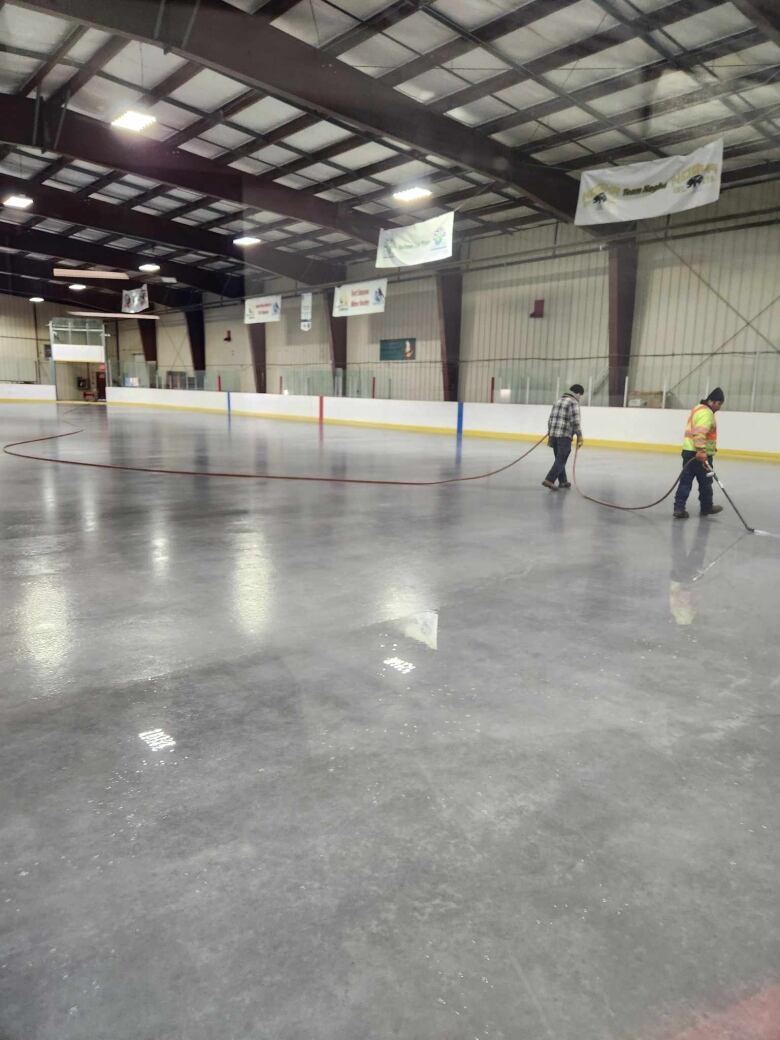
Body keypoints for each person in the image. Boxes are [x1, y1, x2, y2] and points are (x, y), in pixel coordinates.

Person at [673, 388, 725, 519]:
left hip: (688, 452)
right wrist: (702, 451)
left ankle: (679, 508)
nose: (719, 408)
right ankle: (707, 507)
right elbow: (700, 432)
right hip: (699, 455)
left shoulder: (697, 408)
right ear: (713, 402)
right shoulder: (706, 413)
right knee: (705, 482)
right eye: (719, 404)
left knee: (685, 481)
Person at [542, 384, 584, 490]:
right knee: (562, 458)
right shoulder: (573, 402)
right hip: (564, 435)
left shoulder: (558, 401)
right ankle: (549, 479)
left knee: (559, 458)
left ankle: (563, 481)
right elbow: (576, 421)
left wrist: (550, 431)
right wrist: (579, 435)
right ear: (578, 393)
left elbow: (550, 418)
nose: (580, 398)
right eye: (580, 395)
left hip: (554, 434)